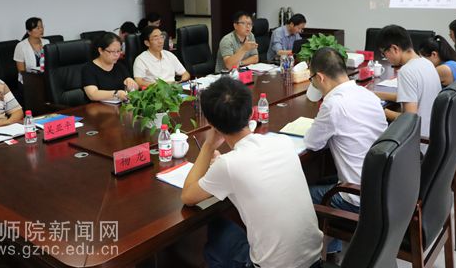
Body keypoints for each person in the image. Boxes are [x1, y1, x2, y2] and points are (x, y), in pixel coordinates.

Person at [182, 77, 323, 268]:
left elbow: (188, 197)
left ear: (211, 124)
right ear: (251, 113)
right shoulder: (282, 141)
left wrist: (208, 146)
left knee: (216, 235)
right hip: (314, 260)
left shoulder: (228, 165)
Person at [304, 47, 388, 257]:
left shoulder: (334, 104)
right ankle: (332, 246)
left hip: (357, 198)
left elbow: (312, 143)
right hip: (383, 186)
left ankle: (320, 253)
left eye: (312, 79)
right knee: (324, 178)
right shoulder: (366, 93)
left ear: (320, 77)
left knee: (300, 194)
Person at [374, 25, 441, 138]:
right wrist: (375, 94)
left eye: (384, 54)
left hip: (418, 139)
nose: (385, 58)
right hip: (432, 134)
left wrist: (381, 110)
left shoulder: (406, 71)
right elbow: (414, 97)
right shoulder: (427, 63)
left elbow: (408, 120)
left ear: (394, 49)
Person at [82, 32, 138, 102]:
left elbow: (135, 88)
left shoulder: (119, 66)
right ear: (100, 50)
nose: (116, 55)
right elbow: (93, 94)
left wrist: (131, 83)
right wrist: (116, 93)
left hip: (118, 105)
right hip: (97, 107)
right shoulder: (88, 69)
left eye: (118, 51)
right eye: (112, 51)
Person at [13, 17, 49, 83]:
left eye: (42, 27)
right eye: (37, 28)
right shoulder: (21, 46)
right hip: (28, 80)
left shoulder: (47, 42)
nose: (41, 29)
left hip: (45, 77)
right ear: (29, 32)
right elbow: (22, 72)